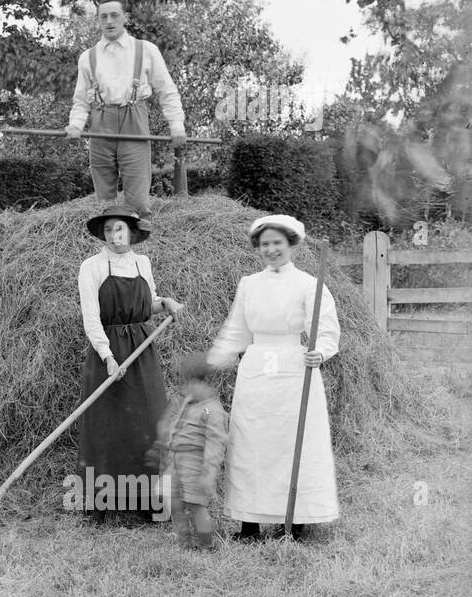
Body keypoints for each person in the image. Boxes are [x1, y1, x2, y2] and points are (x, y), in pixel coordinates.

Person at [207, 214, 340, 541]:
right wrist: (214, 360)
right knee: (251, 444)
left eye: (277, 243)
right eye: (265, 244)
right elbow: (237, 329)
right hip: (255, 372)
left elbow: (325, 330)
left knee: (292, 444)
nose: (271, 250)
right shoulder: (249, 284)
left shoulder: (309, 284)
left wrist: (319, 352)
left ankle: (296, 522)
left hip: (295, 372)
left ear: (291, 244)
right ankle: (249, 524)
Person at [76, 208, 183, 518]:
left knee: (148, 420)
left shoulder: (142, 263)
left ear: (133, 233)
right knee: (107, 424)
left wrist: (165, 304)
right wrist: (107, 356)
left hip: (141, 349)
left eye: (120, 229)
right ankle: (102, 501)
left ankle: (149, 502)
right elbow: (90, 317)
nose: (114, 235)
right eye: (109, 230)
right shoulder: (91, 267)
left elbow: (146, 306)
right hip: (107, 351)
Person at [65, 0, 187, 232]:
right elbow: (80, 100)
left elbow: (167, 90)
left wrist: (177, 126)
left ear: (125, 18)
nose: (109, 21)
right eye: (103, 17)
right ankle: (108, 233)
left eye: (114, 16)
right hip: (100, 121)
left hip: (134, 118)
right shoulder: (87, 57)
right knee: (104, 185)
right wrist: (76, 125)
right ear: (98, 21)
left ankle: (141, 236)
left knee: (137, 185)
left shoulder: (146, 50)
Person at [150, 353, 228, 550]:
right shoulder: (187, 403)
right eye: (186, 383)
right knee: (172, 500)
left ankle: (206, 545)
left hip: (195, 462)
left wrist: (208, 471)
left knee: (196, 505)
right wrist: (164, 443)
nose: (187, 388)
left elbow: (215, 442)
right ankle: (182, 540)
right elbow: (172, 425)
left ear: (207, 384)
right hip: (176, 459)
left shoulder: (211, 410)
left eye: (192, 384)